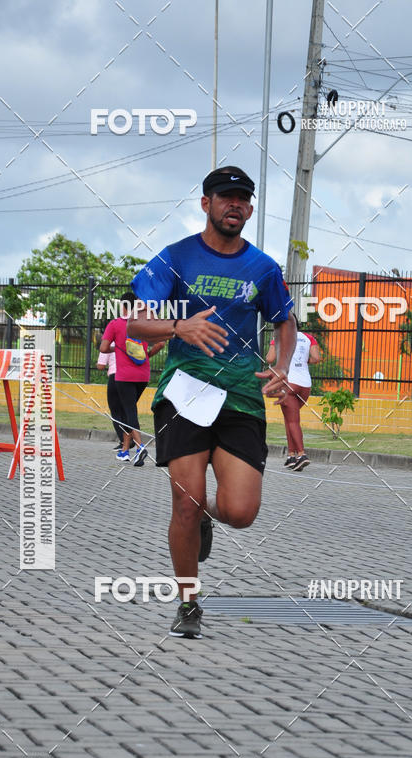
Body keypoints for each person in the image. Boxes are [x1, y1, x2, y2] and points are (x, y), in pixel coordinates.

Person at [128, 165, 296, 639]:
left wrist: (283, 366)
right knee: (186, 502)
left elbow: (285, 321)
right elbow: (135, 323)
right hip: (185, 392)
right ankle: (188, 603)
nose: (235, 205)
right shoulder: (175, 258)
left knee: (240, 513)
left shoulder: (263, 267)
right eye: (226, 197)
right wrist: (178, 326)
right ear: (207, 203)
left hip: (242, 397)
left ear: (250, 207)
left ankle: (208, 515)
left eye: (243, 198)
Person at [99, 292, 165, 466]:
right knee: (129, 411)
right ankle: (124, 451)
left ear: (123, 306)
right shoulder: (143, 324)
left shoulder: (115, 324)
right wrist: (148, 354)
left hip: (124, 375)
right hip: (143, 374)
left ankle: (140, 446)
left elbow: (104, 348)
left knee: (129, 412)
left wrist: (119, 348)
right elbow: (161, 343)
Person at [266, 313, 320, 471]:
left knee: (292, 421)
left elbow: (270, 358)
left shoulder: (279, 337)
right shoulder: (308, 337)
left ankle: (301, 455)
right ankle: (291, 456)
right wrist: (304, 360)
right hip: (305, 385)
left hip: (288, 383)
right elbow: (316, 358)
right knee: (291, 419)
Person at [96, 340, 125, 449]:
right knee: (127, 410)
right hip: (131, 378)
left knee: (116, 412)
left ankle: (124, 440)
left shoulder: (108, 343)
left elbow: (101, 366)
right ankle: (134, 440)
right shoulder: (132, 338)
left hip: (115, 376)